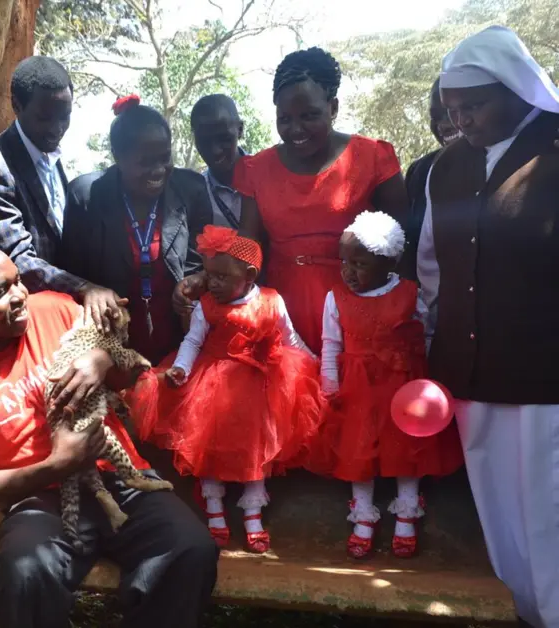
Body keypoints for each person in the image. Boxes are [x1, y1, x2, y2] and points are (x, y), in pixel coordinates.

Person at [0, 241, 217, 628]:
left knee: (190, 549)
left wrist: (105, 359)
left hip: (121, 480)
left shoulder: (55, 309)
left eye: (17, 282)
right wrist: (58, 464)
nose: (18, 296)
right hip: (39, 499)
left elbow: (130, 376)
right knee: (24, 574)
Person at [417, 26, 559, 628]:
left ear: (515, 91)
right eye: (452, 110)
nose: (462, 121)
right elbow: (430, 264)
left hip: (544, 376)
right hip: (470, 375)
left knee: (549, 507)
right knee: (499, 509)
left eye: (472, 106)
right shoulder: (445, 167)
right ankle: (527, 613)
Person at [174, 47, 409, 355]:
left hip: (359, 307)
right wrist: (209, 276)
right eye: (284, 119)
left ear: (333, 107)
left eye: (309, 116)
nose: (295, 129)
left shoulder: (374, 158)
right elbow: (249, 244)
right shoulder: (256, 169)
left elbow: (404, 244)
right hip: (282, 309)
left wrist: (398, 312)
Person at [131, 226, 323, 554]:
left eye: (221, 276)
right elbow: (192, 340)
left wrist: (315, 362)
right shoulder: (208, 306)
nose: (212, 283)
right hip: (211, 385)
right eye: (209, 275)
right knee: (207, 448)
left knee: (257, 451)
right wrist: (182, 368)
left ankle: (253, 516)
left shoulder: (271, 301)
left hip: (260, 389)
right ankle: (215, 513)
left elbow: (290, 337)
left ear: (249, 275)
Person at [307, 211, 462, 560]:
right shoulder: (336, 298)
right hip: (357, 389)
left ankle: (407, 513)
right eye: (344, 261)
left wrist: (424, 379)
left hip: (401, 386)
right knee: (359, 451)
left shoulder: (409, 294)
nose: (348, 271)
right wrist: (330, 383)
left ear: (388, 263)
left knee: (406, 449)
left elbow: (427, 333)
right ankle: (363, 517)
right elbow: (331, 343)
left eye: (359, 263)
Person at [60, 95, 213, 364]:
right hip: (110, 348)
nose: (159, 170)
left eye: (165, 158)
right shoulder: (86, 196)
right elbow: (72, 274)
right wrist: (89, 289)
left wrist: (193, 282)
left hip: (181, 344)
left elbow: (201, 262)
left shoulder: (191, 189)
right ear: (118, 157)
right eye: (145, 162)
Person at [0, 56, 118, 329]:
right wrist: (86, 287)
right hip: (26, 316)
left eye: (65, 117)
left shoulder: (48, 151)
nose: (57, 128)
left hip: (62, 310)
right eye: (44, 118)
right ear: (17, 105)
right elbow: (17, 261)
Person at [400, 78, 461, 279]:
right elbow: (410, 242)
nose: (443, 125)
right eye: (435, 117)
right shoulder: (421, 171)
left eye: (451, 113)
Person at [191, 94, 246, 229]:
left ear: (240, 130)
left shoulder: (268, 177)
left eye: (224, 139)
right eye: (204, 141)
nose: (215, 151)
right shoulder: (194, 195)